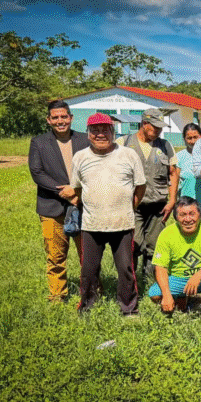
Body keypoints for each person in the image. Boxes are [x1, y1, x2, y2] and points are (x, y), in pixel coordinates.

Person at [64, 113, 146, 316]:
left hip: (123, 224)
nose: (100, 134)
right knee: (89, 271)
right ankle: (87, 307)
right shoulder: (80, 157)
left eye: (105, 130)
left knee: (126, 270)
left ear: (112, 131)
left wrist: (129, 208)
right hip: (92, 225)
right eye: (95, 130)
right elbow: (77, 188)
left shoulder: (128, 155)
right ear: (88, 133)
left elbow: (140, 187)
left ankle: (129, 309)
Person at [28, 99, 90, 302]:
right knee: (55, 256)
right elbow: (37, 173)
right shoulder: (39, 142)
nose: (60, 121)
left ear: (71, 118)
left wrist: (77, 193)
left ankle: (91, 293)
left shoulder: (85, 139)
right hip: (51, 206)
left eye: (64, 116)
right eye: (55, 117)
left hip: (83, 205)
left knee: (88, 255)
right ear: (48, 120)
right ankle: (57, 295)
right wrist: (64, 191)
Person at [118, 108, 178, 276]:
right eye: (155, 127)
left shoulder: (165, 145)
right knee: (132, 244)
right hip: (131, 205)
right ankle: (132, 283)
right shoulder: (124, 142)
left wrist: (172, 201)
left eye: (161, 128)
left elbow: (173, 173)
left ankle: (151, 281)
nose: (159, 131)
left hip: (158, 206)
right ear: (145, 124)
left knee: (155, 245)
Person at [148, 197, 201, 314]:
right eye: (182, 215)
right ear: (176, 218)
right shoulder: (166, 234)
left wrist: (198, 275)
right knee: (155, 294)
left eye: (192, 214)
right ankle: (183, 300)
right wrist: (166, 295)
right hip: (178, 278)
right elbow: (160, 267)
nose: (188, 219)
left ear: (199, 214)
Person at [175, 123, 201, 202]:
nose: (193, 141)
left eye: (195, 137)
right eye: (189, 138)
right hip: (187, 205)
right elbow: (175, 183)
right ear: (184, 139)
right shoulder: (178, 157)